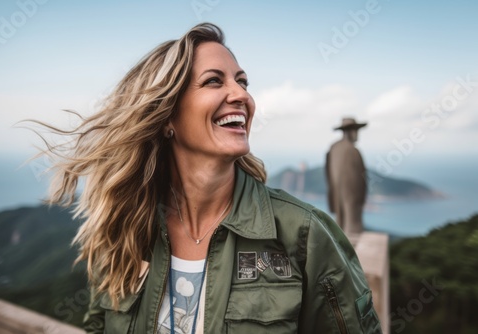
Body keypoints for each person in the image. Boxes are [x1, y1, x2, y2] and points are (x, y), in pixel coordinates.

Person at [39, 23, 381, 333]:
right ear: (167, 115)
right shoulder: (125, 232)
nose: (242, 95)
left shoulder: (304, 234)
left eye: (242, 82)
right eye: (214, 81)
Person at [326, 118, 368, 242]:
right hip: (352, 199)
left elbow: (328, 173)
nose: (357, 135)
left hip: (336, 195)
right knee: (353, 229)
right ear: (351, 132)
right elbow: (361, 179)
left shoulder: (333, 148)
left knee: (340, 228)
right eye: (356, 131)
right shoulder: (353, 151)